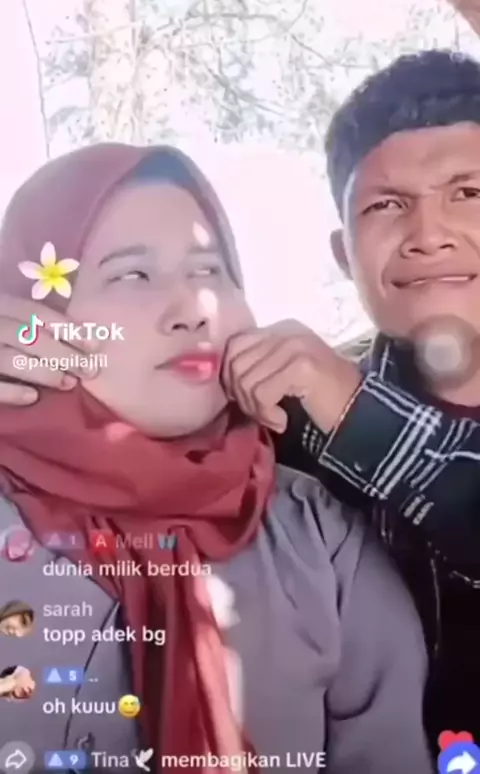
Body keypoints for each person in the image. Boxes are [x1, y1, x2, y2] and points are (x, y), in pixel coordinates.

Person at [0, 144, 431, 772]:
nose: (193, 310)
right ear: (31, 312)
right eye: (132, 275)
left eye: (210, 270)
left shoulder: (317, 535)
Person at [221, 50, 480, 750]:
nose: (429, 235)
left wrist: (356, 413)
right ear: (344, 255)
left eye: (467, 193)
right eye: (386, 206)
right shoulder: (284, 424)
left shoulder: (333, 400)